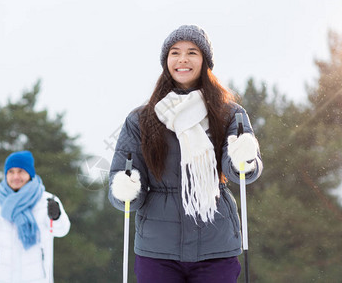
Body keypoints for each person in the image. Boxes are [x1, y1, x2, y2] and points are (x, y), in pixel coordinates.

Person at [108, 24, 263, 283]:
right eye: (175, 52)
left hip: (216, 243)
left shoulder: (229, 114)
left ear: (204, 61)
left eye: (192, 52)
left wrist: (243, 159)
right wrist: (124, 189)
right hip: (158, 249)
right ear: (166, 61)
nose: (183, 59)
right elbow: (124, 182)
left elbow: (242, 174)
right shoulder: (142, 119)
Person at [0, 150, 70, 283]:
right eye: (11, 172)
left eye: (21, 171)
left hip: (38, 279)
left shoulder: (47, 201)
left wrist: (56, 216)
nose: (15, 176)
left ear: (30, 173)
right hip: (3, 279)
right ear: (6, 174)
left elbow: (61, 231)